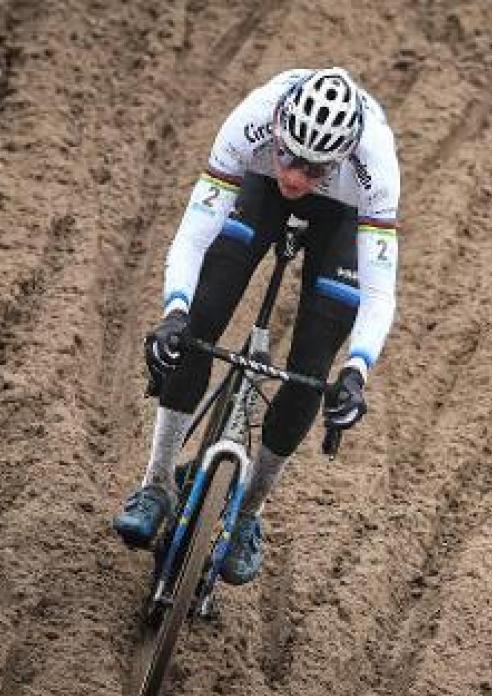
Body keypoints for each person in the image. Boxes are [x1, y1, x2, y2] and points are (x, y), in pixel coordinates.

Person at [112, 67, 400, 585]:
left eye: (315, 169)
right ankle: (156, 483)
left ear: (342, 156)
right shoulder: (253, 120)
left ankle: (247, 513)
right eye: (290, 155)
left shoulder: (376, 167)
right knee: (198, 323)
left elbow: (379, 292)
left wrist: (356, 371)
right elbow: (193, 235)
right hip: (255, 190)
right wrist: (174, 312)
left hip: (341, 219)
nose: (295, 175)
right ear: (280, 128)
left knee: (313, 370)